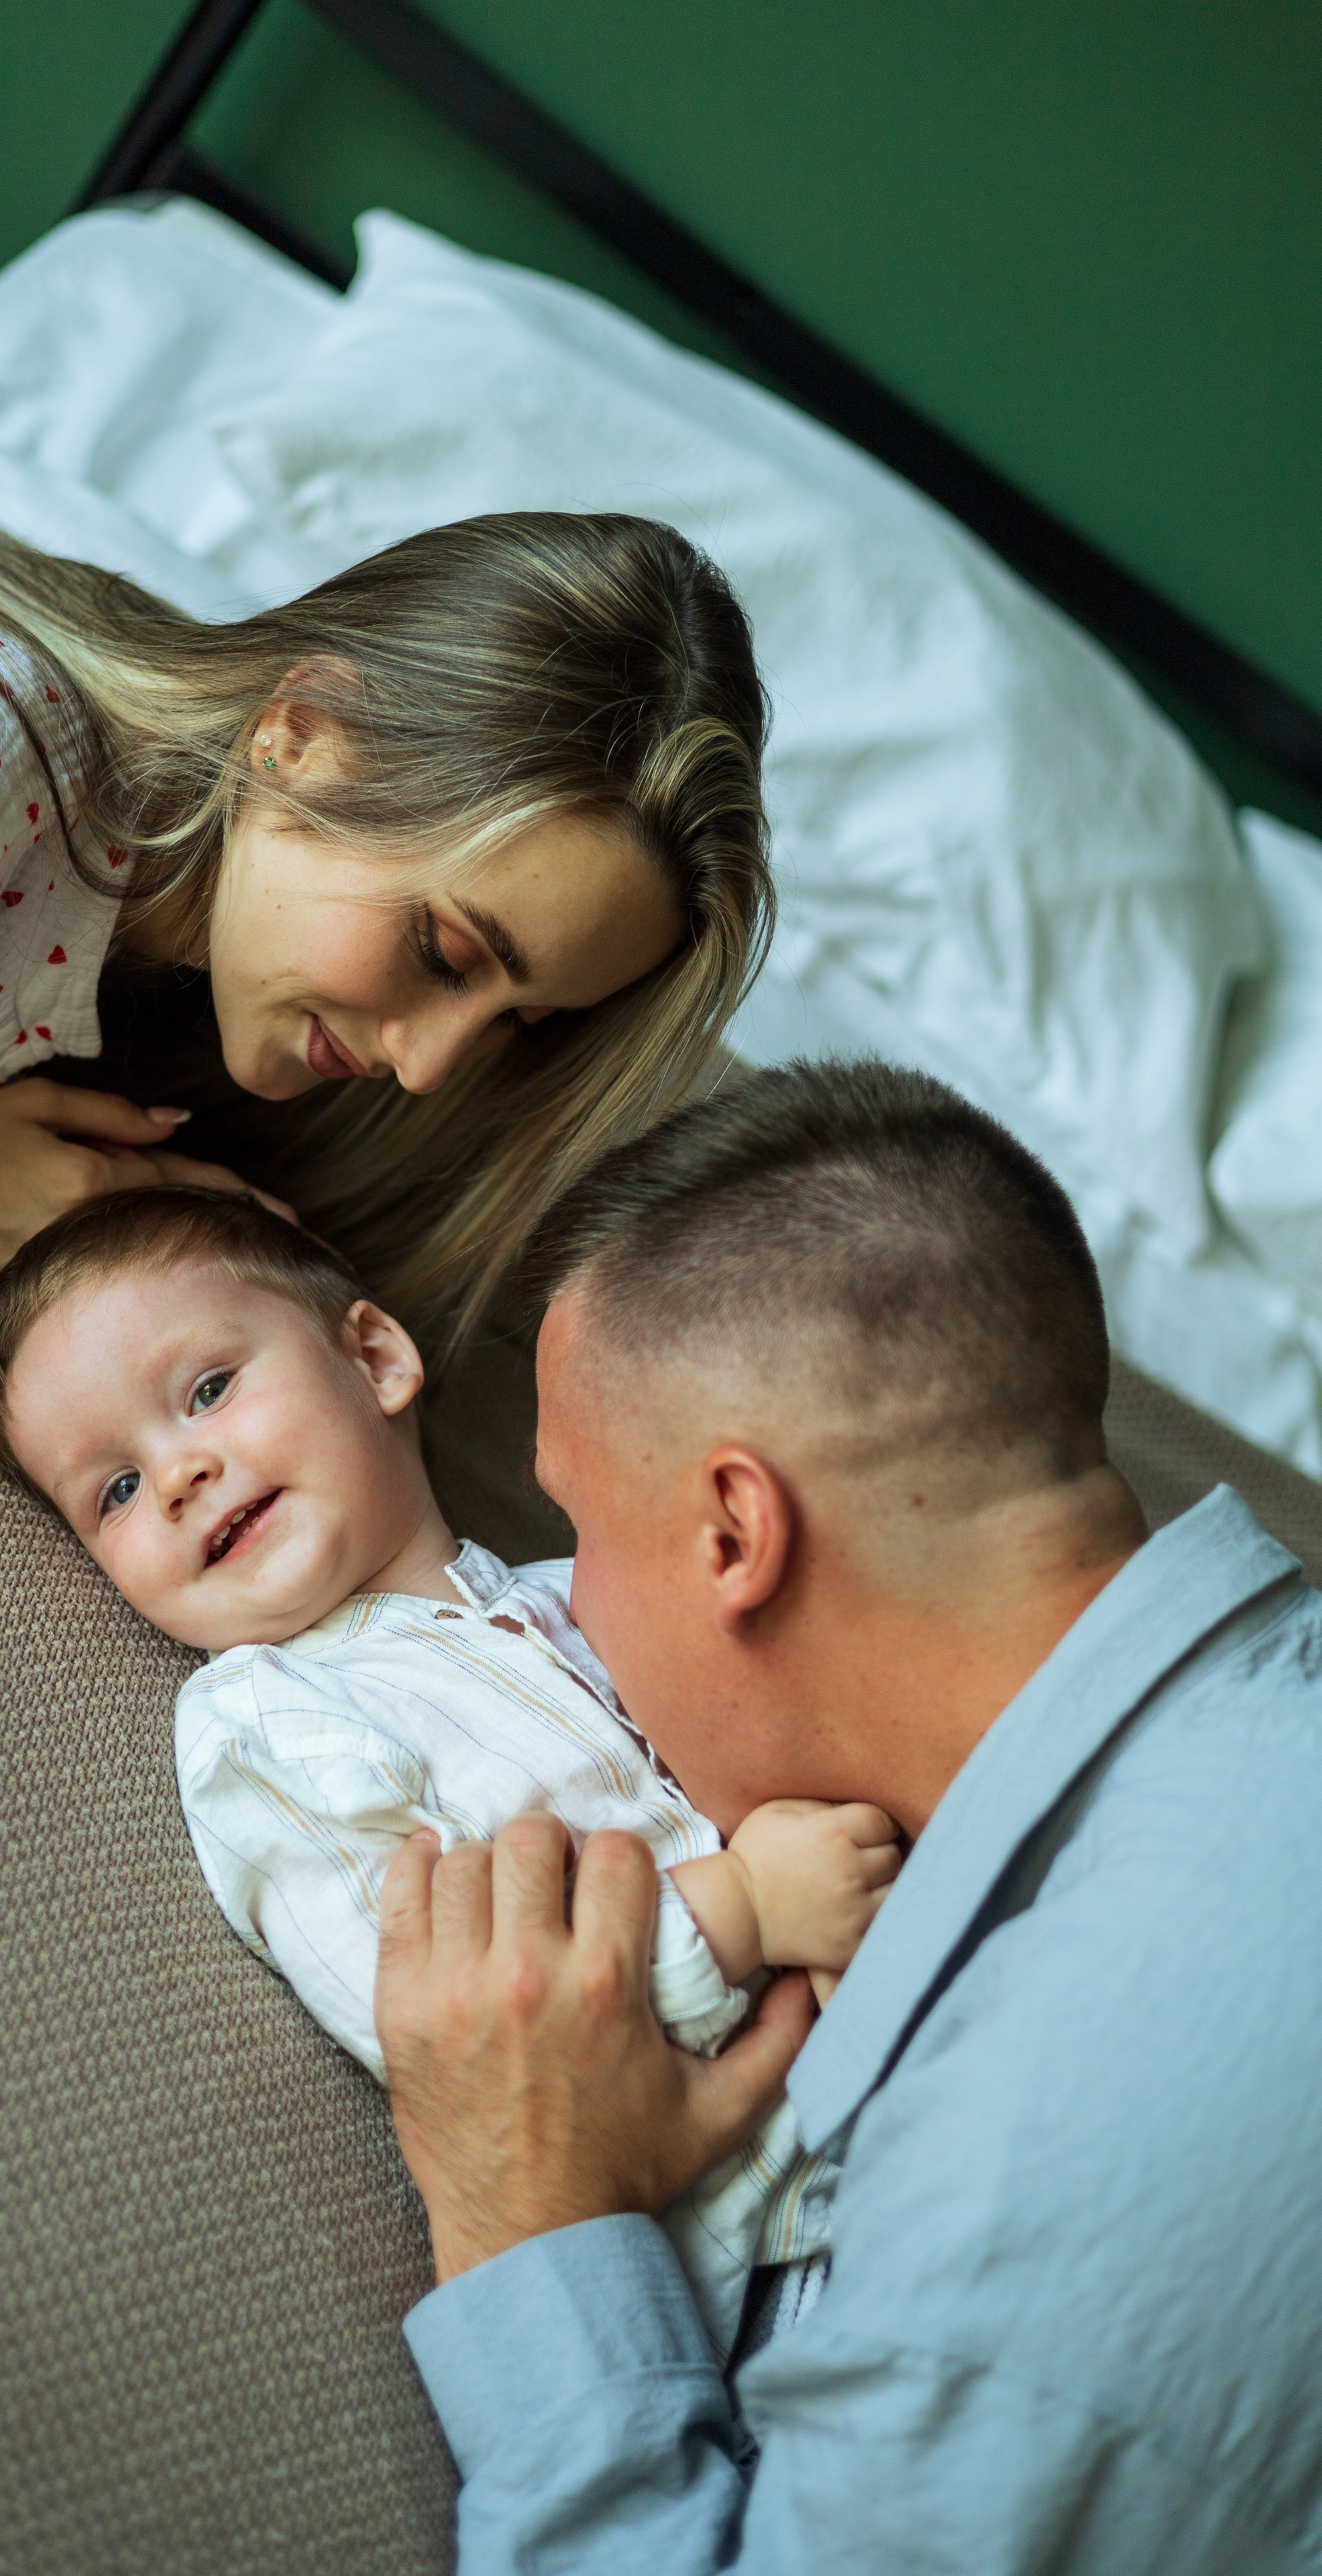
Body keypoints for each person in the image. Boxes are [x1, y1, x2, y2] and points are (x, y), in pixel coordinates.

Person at [373, 1059, 1322, 2575]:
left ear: (733, 1532)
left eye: (577, 1533)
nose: (569, 1612)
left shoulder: (1039, 2166)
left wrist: (530, 2218)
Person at [0, 1181, 901, 2350]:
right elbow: (455, 2042)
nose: (180, 1473)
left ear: (374, 1356)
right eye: (116, 1490)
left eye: (207, 1392)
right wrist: (750, 1905)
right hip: (776, 2267)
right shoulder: (264, 1726)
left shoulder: (581, 1590)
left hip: (906, 2103)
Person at [0, 474, 771, 1348]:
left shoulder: (124, 925)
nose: (430, 1068)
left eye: (520, 1022)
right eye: (446, 952)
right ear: (301, 732)